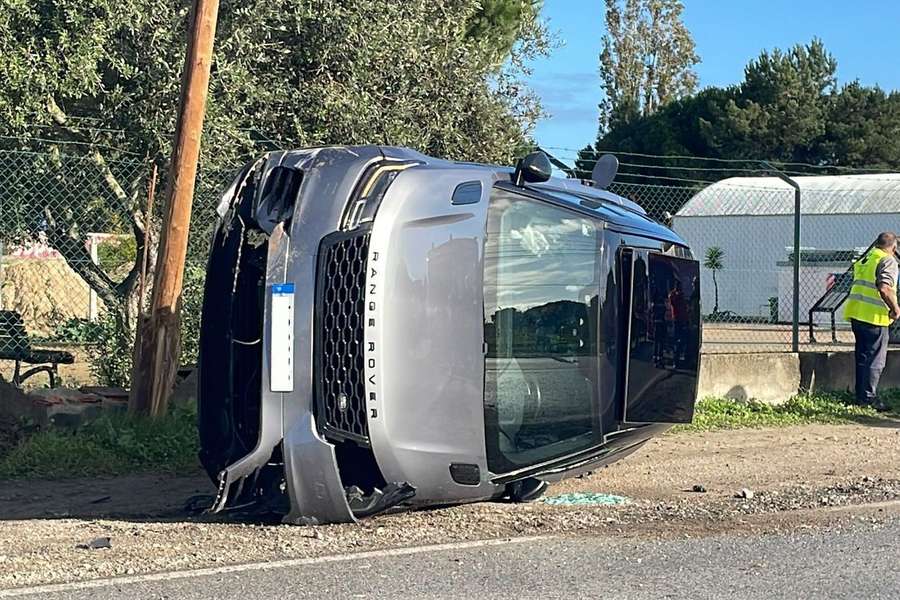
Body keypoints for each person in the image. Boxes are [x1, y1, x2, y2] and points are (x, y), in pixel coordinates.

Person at [843, 232, 900, 412]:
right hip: (874, 317)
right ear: (894, 247)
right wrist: (895, 308)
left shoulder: (867, 258)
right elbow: (884, 288)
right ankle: (869, 398)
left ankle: (861, 396)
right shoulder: (888, 260)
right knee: (875, 361)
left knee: (863, 358)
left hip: (856, 314)